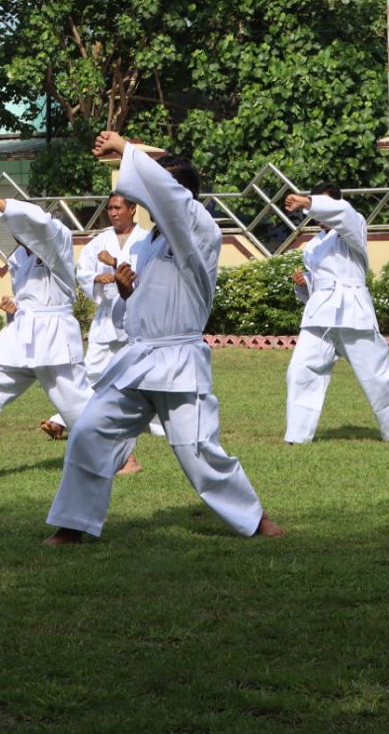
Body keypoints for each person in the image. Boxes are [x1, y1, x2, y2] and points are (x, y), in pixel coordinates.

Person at [45, 133, 282, 543]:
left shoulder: (200, 229)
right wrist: (125, 294)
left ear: (181, 193)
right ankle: (72, 526)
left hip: (179, 360)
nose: (149, 190)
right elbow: (144, 308)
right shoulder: (150, 244)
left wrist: (125, 148)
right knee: (89, 431)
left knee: (198, 451)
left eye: (160, 182)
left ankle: (256, 520)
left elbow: (170, 195)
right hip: (140, 359)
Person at [0, 195, 95, 481]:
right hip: (21, 333)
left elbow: (41, 223)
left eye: (20, 225)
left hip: (54, 331)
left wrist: (5, 205)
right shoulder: (18, 257)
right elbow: (27, 299)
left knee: (75, 404)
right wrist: (13, 310)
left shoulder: (58, 239)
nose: (17, 233)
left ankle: (121, 456)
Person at [282, 184, 389, 445]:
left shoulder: (353, 226)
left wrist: (306, 201)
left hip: (353, 310)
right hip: (320, 314)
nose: (319, 215)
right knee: (300, 369)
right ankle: (297, 435)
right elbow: (321, 279)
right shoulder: (314, 244)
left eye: (324, 207)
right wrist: (305, 282)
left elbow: (342, 212)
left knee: (377, 372)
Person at [55, 193, 151, 447]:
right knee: (92, 370)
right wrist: (98, 278)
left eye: (118, 208)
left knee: (140, 372)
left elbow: (148, 274)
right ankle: (64, 419)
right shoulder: (100, 240)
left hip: (136, 315)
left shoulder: (146, 240)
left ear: (133, 209)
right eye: (110, 208)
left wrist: (115, 262)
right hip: (107, 315)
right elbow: (83, 270)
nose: (113, 213)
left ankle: (150, 420)